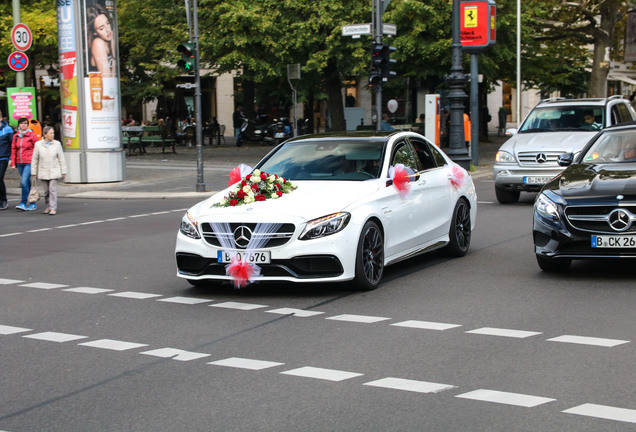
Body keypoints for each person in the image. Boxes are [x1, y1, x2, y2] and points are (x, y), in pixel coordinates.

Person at [31, 126, 67, 215]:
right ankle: (47, 206)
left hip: (54, 171)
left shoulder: (57, 144)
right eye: (51, 133)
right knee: (46, 191)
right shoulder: (38, 145)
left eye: (53, 133)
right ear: (45, 135)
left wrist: (63, 171)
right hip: (43, 171)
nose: (53, 135)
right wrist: (34, 173)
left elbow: (61, 158)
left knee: (52, 190)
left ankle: (53, 207)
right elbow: (34, 159)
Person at [10, 117, 39, 211]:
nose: (23, 125)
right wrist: (13, 162)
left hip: (29, 162)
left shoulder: (31, 135)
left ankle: (23, 202)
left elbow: (37, 147)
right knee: (26, 182)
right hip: (19, 162)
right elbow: (14, 149)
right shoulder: (16, 136)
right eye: (22, 123)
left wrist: (37, 160)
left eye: (25, 123)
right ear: (19, 125)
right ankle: (32, 202)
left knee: (23, 182)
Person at [86, 3, 116, 76]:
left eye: (108, 23)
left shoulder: (109, 41)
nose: (108, 30)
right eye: (101, 28)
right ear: (94, 32)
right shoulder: (98, 43)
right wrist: (114, 55)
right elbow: (107, 78)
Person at [0, 110, 14, 210]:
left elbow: (12, 144)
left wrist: (10, 158)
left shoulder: (7, 130)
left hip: (3, 157)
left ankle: (3, 200)